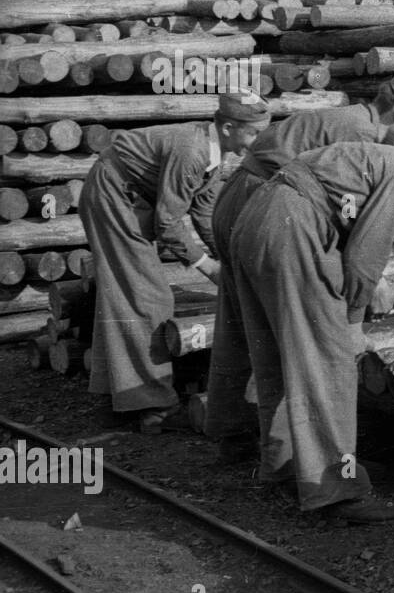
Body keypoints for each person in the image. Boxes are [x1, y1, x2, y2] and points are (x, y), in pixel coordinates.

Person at [227, 112, 394, 523]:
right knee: (329, 360)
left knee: (277, 354)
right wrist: (351, 324)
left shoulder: (385, 159)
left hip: (258, 218)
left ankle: (288, 464)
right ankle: (337, 490)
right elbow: (363, 259)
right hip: (293, 228)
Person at [205, 64, 394, 463]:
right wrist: (364, 293)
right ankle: (311, 463)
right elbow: (344, 221)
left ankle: (239, 436)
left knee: (244, 326)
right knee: (305, 332)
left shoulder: (356, 120)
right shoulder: (361, 133)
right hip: (265, 202)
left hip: (247, 202)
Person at [78, 90, 271, 431]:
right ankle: (156, 406)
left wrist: (228, 257)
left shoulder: (214, 154)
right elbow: (167, 224)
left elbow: (207, 214)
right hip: (115, 196)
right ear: (227, 128)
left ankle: (114, 401)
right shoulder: (193, 151)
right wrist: (208, 267)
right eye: (253, 133)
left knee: (127, 296)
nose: (257, 142)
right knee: (148, 299)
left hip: (131, 199)